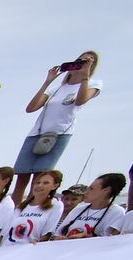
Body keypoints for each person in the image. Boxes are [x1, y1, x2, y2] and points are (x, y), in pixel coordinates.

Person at [13, 51, 102, 203]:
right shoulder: (57, 89)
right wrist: (47, 82)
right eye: (81, 60)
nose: (84, 62)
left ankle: (29, 210)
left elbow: (80, 101)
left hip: (59, 134)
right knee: (21, 177)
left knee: (39, 180)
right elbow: (31, 108)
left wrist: (85, 75)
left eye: (89, 61)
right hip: (37, 133)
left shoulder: (94, 84)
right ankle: (13, 213)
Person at [47, 173, 125, 239]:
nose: (85, 193)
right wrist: (60, 238)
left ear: (106, 190)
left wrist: (86, 237)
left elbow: (109, 240)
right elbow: (58, 234)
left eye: (91, 188)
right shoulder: (78, 209)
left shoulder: (116, 212)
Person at [6, 170, 65, 246]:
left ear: (55, 186)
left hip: (27, 250)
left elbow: (47, 234)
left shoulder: (56, 205)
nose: (40, 185)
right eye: (38, 183)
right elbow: (5, 234)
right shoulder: (22, 206)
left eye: (45, 183)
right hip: (6, 247)